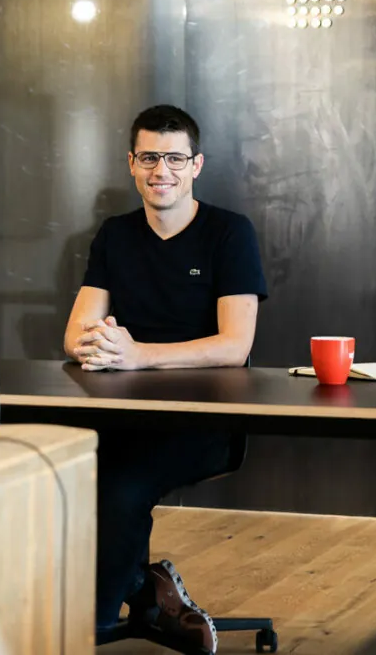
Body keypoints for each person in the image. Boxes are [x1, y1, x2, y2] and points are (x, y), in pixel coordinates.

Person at [63, 105, 268, 653]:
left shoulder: (229, 232)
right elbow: (76, 332)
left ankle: (97, 624)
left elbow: (235, 346)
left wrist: (138, 356)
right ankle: (145, 592)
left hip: (205, 421)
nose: (162, 171)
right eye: (150, 157)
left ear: (196, 165)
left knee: (121, 485)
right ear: (131, 164)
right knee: (58, 471)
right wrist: (99, 344)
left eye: (175, 158)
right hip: (120, 412)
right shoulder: (116, 234)